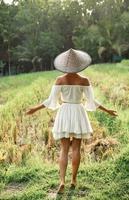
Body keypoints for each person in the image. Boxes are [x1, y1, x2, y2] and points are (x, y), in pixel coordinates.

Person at [25, 48, 118, 194]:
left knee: (63, 150)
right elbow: (92, 101)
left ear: (65, 65)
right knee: (76, 149)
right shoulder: (84, 80)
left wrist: (34, 109)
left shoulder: (60, 80)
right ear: (80, 64)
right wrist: (108, 110)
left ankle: (62, 181)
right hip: (78, 113)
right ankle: (73, 180)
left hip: (64, 112)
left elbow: (50, 101)